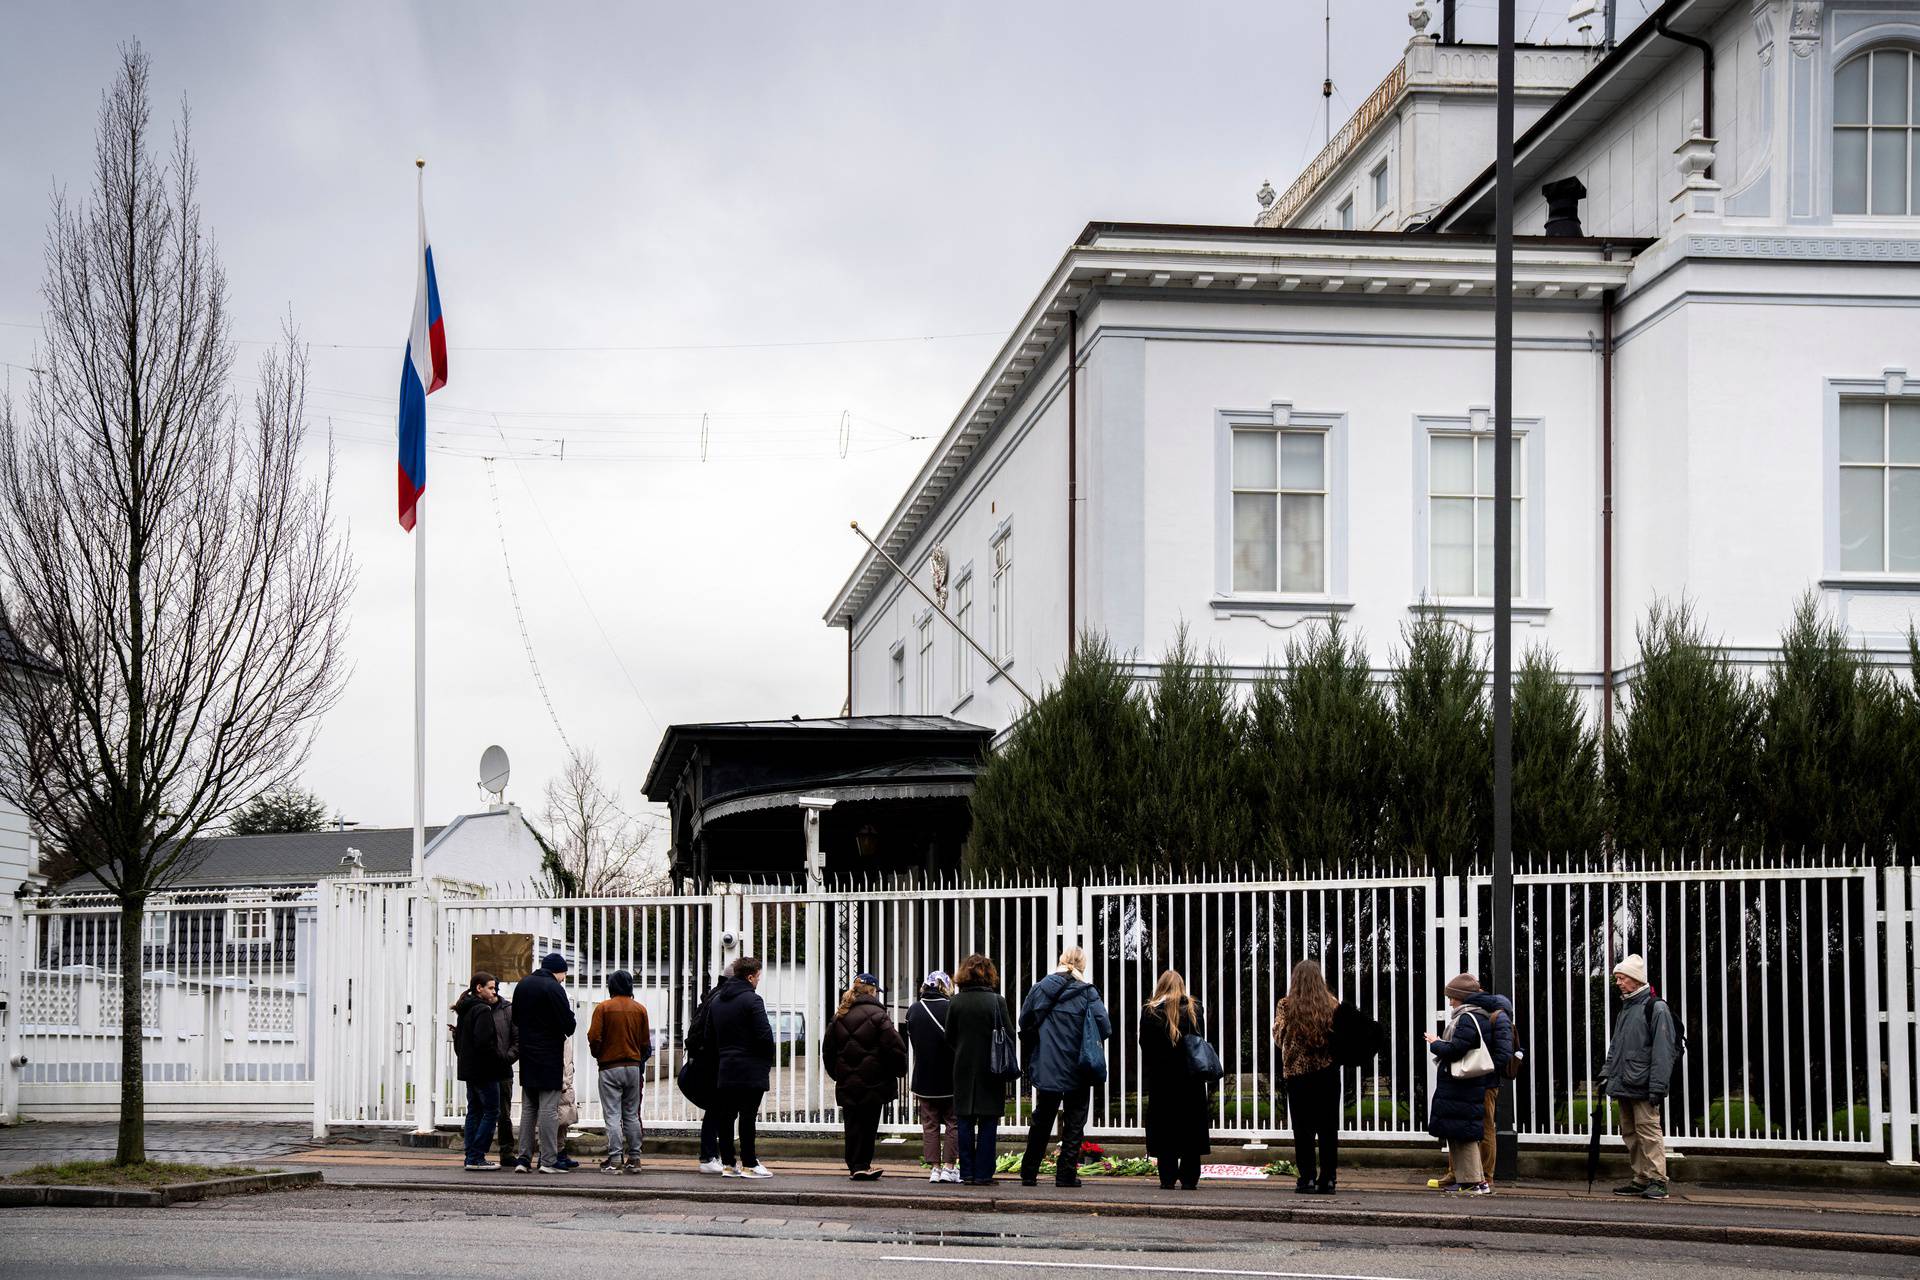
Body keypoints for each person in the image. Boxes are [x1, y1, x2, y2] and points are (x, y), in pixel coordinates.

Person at [1018, 946, 1111, 1188]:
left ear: (1061, 961)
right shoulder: (1088, 993)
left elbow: (1024, 1021)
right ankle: (1066, 1174)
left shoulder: (1040, 988)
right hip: (1079, 1066)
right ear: (1082, 965)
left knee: (1042, 1119)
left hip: (1048, 1063)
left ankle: (1029, 1171)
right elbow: (1105, 1026)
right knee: (1075, 1121)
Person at [1601, 953, 1678, 1201]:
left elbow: (1663, 1052)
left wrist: (1657, 1087)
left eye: (1622, 978)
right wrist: (1606, 1075)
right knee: (1631, 1134)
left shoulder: (1655, 1007)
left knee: (1648, 1132)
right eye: (1618, 978)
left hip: (1642, 1084)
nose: (1619, 983)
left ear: (1635, 979)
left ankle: (1658, 1180)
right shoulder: (1628, 1007)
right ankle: (1641, 1178)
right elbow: (1616, 1046)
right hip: (1626, 1082)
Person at [1424, 972, 1508, 1197]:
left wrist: (1436, 1044)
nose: (1450, 1001)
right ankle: (1470, 1178)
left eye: (1452, 997)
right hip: (1471, 1083)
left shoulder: (1468, 1018)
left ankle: (1476, 1180)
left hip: (1466, 1083)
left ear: (1461, 997)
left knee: (1470, 1132)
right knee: (1463, 1131)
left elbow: (1456, 1049)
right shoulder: (1476, 1016)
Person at [823, 971, 909, 1180]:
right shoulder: (879, 1016)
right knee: (869, 1124)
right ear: (872, 991)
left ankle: (855, 1165)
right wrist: (898, 1071)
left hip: (847, 1081)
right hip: (874, 1081)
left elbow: (828, 1050)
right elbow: (896, 1048)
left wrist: (838, 1074)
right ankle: (862, 1164)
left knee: (852, 1124)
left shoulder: (839, 1016)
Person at [1273, 960, 1341, 1194]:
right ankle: (1329, 1178)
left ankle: (1307, 1178)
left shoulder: (1286, 1005)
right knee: (1328, 1128)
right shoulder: (1332, 1004)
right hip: (1327, 1073)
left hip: (1298, 1075)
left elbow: (1279, 1038)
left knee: (1303, 1129)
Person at [947, 953, 1015, 1186]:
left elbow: (949, 1037)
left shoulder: (955, 1002)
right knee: (988, 1122)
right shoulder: (997, 1001)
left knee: (964, 1121)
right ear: (990, 974)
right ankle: (984, 1173)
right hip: (991, 1068)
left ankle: (967, 1172)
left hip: (963, 1067)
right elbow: (1009, 1035)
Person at [1140, 969, 1209, 1191]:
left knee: (1165, 1128)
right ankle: (1189, 1178)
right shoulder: (1194, 1009)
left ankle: (1167, 1178)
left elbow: (1145, 1046)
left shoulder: (1150, 1012)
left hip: (1163, 1081)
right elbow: (1200, 1041)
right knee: (1191, 1127)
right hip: (1191, 1079)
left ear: (1160, 987)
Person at [709, 955, 776, 1178]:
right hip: (750, 1066)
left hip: (725, 1066)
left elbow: (710, 1036)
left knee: (726, 1116)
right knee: (748, 1116)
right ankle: (750, 1163)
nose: (758, 981)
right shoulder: (752, 1000)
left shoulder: (717, 1000)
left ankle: (728, 1163)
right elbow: (765, 1035)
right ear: (749, 977)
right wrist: (766, 1059)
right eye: (758, 976)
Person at [511, 952, 576, 1174]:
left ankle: (523, 1158)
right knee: (549, 1110)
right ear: (558, 971)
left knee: (529, 1109)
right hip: (548, 1055)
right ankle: (548, 1160)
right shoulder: (554, 988)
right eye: (564, 974)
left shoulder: (523, 985)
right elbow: (569, 1025)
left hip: (528, 1055)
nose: (564, 979)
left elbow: (516, 1019)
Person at [589, 969, 652, 1174]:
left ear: (611, 986)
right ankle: (635, 1159)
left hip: (609, 1067)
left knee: (613, 1115)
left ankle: (615, 1159)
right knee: (631, 1114)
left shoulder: (604, 1008)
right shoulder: (640, 1009)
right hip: (633, 1067)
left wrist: (598, 1054)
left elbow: (594, 1037)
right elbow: (645, 1043)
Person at [905, 970, 960, 1183]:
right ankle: (949, 1167)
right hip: (950, 1077)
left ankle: (935, 1169)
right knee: (953, 1122)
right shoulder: (951, 1008)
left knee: (930, 1124)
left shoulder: (914, 1010)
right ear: (946, 987)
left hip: (924, 1078)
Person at [452, 973, 508, 1171]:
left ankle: (470, 1155)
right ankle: (477, 1157)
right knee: (492, 1111)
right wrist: (499, 1060)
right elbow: (485, 1043)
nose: (494, 992)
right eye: (491, 988)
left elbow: (458, 1041)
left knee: (474, 1111)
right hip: (485, 1070)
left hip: (469, 1069)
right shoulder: (483, 1010)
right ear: (479, 988)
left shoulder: (465, 1009)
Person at [687, 972, 727, 1173]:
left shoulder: (712, 996)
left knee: (716, 1109)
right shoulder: (721, 998)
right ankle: (709, 1156)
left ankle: (712, 1155)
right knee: (716, 1108)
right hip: (713, 1063)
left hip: (705, 1061)